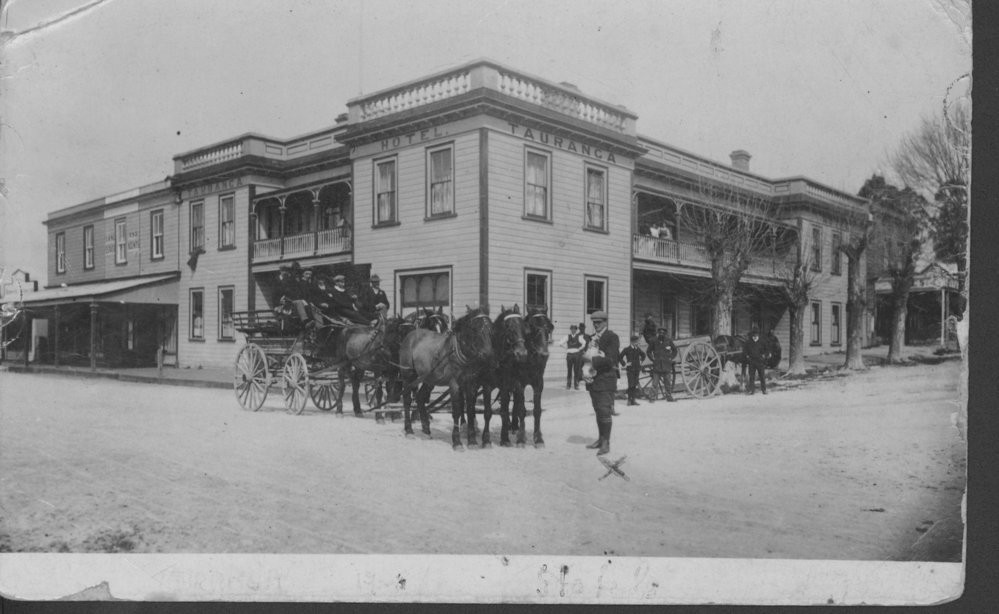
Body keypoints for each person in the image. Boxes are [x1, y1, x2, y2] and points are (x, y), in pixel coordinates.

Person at [583, 311, 619, 456]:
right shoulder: (592, 338)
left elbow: (611, 360)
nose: (596, 325)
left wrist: (592, 360)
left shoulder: (611, 337)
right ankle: (600, 439)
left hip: (606, 380)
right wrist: (584, 361)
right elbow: (586, 355)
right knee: (598, 410)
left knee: (605, 411)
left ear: (605, 322)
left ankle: (606, 443)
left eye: (599, 322)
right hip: (594, 380)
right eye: (594, 323)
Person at [647, 328, 677, 402]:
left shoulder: (669, 340)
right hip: (657, 365)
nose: (661, 334)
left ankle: (669, 397)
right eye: (660, 333)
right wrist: (653, 359)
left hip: (666, 365)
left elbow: (675, 350)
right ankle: (652, 398)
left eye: (663, 333)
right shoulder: (653, 340)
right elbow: (648, 351)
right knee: (655, 383)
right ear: (658, 333)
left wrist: (670, 358)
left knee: (667, 382)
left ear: (665, 334)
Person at [619, 334, 646, 406]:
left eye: (637, 342)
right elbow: (620, 357)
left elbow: (643, 355)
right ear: (632, 342)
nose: (637, 343)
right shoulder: (627, 349)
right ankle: (629, 400)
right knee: (630, 385)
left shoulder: (637, 349)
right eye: (636, 342)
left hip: (637, 369)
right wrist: (625, 364)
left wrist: (641, 361)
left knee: (634, 385)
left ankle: (633, 400)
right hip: (630, 370)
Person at [557, 324, 585, 389]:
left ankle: (576, 385)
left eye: (574, 329)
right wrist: (566, 347)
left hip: (576, 355)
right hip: (569, 355)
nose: (573, 330)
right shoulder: (567, 336)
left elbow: (584, 343)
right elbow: (560, 343)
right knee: (569, 370)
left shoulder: (579, 337)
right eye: (572, 329)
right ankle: (568, 384)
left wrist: (579, 349)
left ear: (576, 330)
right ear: (570, 330)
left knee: (576, 370)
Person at [743, 328, 769, 395]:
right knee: (751, 376)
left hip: (760, 361)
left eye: (756, 335)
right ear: (752, 336)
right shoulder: (748, 342)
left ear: (758, 335)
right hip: (752, 361)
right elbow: (745, 350)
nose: (755, 337)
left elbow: (767, 350)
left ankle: (764, 390)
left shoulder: (762, 342)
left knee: (762, 376)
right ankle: (752, 390)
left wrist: (764, 356)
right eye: (753, 335)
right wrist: (747, 356)